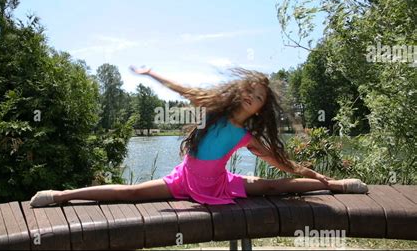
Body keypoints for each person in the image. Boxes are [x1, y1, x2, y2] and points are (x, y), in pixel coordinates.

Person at [29, 66, 368, 207]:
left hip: (220, 185)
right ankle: (62, 195)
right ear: (240, 92)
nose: (253, 96)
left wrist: (317, 175)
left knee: (274, 186)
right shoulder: (213, 109)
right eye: (250, 90)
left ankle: (334, 184)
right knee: (132, 192)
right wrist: (152, 74)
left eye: (260, 97)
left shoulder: (246, 136)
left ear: (260, 109)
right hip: (183, 181)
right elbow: (183, 88)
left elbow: (282, 164)